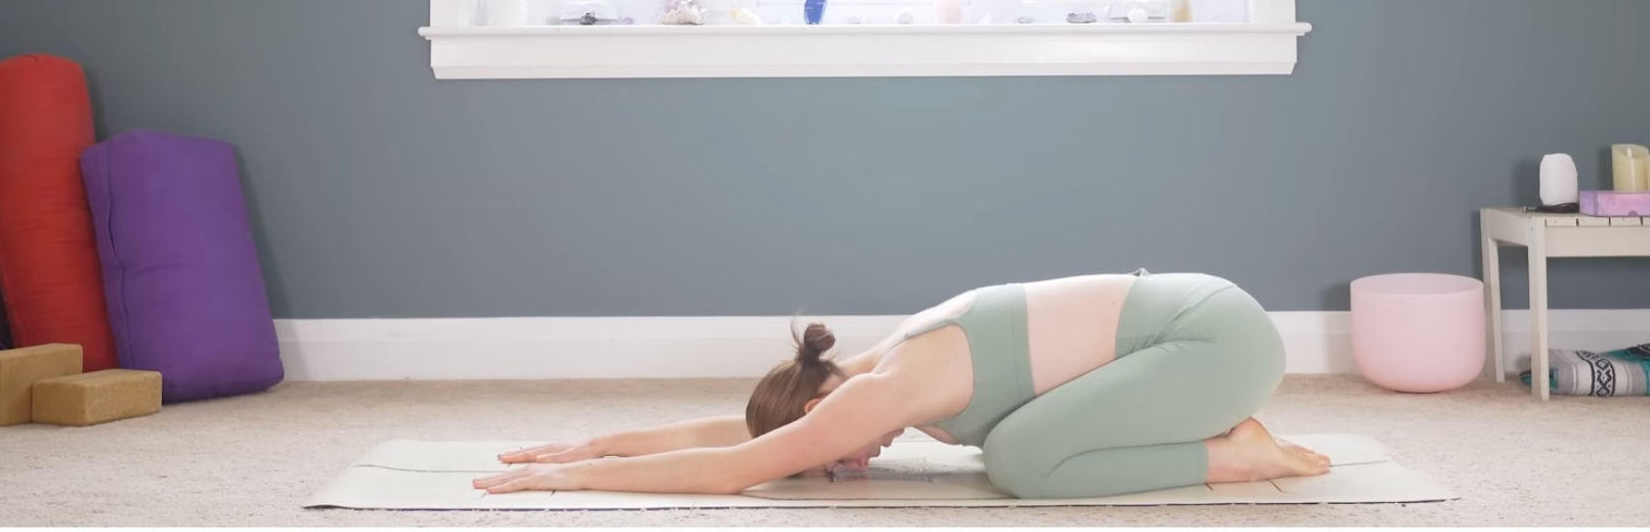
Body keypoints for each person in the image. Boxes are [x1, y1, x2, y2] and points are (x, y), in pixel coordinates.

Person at [473, 271, 1329, 498]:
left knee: (1023, 460)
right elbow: (747, 440)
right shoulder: (880, 371)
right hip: (1210, 331)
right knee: (1013, 445)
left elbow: (740, 469)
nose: (853, 467)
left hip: (1216, 342)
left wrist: (576, 478)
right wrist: (603, 440)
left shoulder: (881, 390)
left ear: (821, 409)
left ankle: (1237, 457)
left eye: (830, 461)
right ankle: (1230, 442)